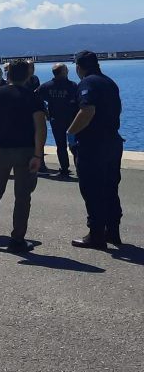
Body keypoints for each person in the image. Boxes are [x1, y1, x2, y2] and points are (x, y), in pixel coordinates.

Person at [0, 59, 46, 252]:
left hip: (1, 151)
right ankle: (17, 239)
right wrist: (38, 155)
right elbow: (40, 127)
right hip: (26, 152)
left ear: (8, 74)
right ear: (28, 75)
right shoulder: (33, 97)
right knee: (23, 197)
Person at [68, 51, 123, 249]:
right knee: (110, 187)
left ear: (79, 66)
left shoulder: (87, 83)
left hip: (93, 144)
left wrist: (71, 133)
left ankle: (96, 235)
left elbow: (87, 110)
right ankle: (113, 231)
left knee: (92, 189)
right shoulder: (109, 82)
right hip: (113, 142)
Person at [37, 63, 79, 176]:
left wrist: (44, 111)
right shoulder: (72, 85)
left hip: (56, 120)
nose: (68, 71)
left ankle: (64, 169)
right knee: (74, 144)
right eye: (66, 69)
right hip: (71, 120)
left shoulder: (47, 86)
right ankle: (78, 168)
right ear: (63, 72)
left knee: (61, 146)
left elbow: (35, 96)